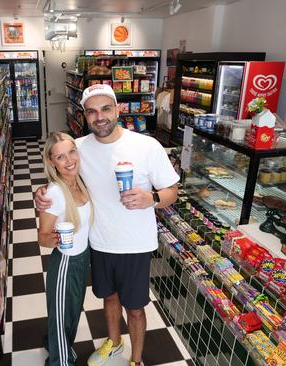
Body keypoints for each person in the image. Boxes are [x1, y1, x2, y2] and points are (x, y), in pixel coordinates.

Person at [35, 84, 180, 366]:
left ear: (118, 110)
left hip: (135, 243)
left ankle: (136, 360)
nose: (99, 117)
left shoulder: (146, 146)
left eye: (105, 109)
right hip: (99, 242)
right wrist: (42, 193)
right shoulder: (79, 148)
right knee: (109, 299)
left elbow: (171, 191)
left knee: (136, 310)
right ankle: (114, 344)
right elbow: (61, 169)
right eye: (91, 111)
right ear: (85, 115)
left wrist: (151, 197)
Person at [38, 132, 93, 366]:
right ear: (52, 162)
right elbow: (42, 237)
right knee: (61, 318)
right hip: (65, 263)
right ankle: (60, 360)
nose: (69, 160)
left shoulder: (81, 180)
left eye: (71, 152)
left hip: (82, 259)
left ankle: (54, 343)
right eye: (60, 157)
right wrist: (57, 240)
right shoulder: (54, 193)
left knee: (71, 312)